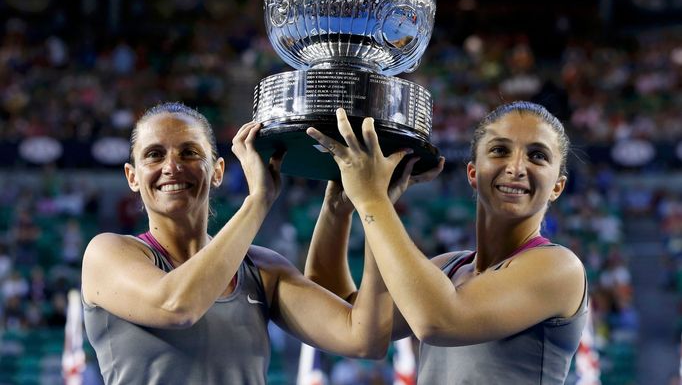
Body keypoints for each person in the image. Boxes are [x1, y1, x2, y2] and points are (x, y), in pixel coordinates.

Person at [80, 102, 395, 385]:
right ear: (132, 177)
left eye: (189, 152)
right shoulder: (107, 253)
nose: (172, 166)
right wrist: (258, 201)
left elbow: (364, 338)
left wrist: (371, 205)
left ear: (217, 172)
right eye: (154, 154)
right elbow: (176, 306)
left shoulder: (262, 269)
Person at [305, 102, 588, 384]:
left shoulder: (559, 268)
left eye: (537, 156)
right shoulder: (447, 268)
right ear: (473, 173)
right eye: (500, 150)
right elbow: (343, 319)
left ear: (557, 187)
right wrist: (336, 208)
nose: (516, 167)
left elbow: (438, 320)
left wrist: (373, 200)